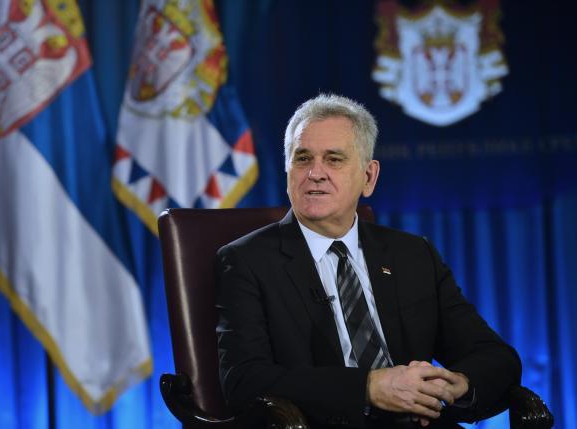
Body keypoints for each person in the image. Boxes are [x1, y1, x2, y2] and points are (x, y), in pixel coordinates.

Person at [215, 94, 521, 428]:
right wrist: (368, 388)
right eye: (302, 159)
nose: (315, 173)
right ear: (288, 170)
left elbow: (494, 356)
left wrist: (454, 385)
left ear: (369, 177)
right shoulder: (246, 261)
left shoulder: (413, 255)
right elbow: (244, 381)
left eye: (334, 159)